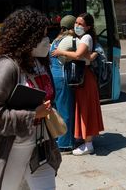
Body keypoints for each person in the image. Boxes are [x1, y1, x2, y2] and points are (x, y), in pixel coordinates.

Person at [0, 7, 61, 190]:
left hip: (41, 149)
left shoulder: (41, 62)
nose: (47, 40)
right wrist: (32, 115)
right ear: (27, 38)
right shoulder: (8, 66)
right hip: (12, 150)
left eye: (47, 34)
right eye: (42, 35)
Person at [51, 13, 104, 156]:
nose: (77, 26)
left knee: (86, 109)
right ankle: (84, 140)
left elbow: (78, 55)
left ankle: (88, 144)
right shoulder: (80, 38)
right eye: (76, 23)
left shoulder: (86, 37)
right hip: (82, 77)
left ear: (88, 26)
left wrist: (60, 52)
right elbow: (87, 54)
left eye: (81, 24)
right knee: (82, 109)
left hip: (85, 77)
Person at [49, 15, 77, 154]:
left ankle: (59, 139)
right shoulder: (69, 40)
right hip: (63, 77)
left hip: (54, 77)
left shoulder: (56, 39)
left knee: (58, 110)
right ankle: (65, 144)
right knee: (65, 111)